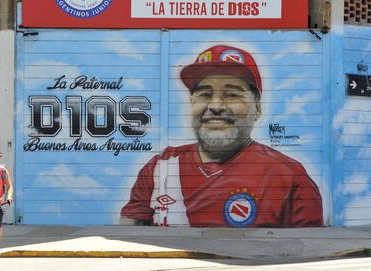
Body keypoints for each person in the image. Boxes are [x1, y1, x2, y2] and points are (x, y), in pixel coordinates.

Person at [120, 45, 323, 228]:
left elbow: (308, 254)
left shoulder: (290, 177)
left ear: (257, 109)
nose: (215, 106)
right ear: (192, 103)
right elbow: (128, 238)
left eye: (232, 94)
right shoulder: (161, 167)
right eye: (205, 95)